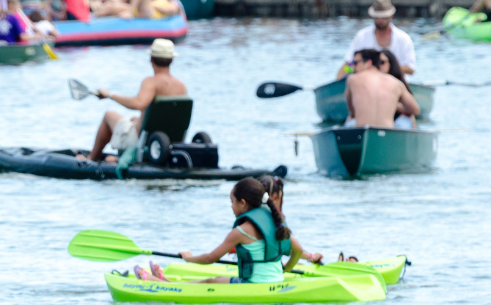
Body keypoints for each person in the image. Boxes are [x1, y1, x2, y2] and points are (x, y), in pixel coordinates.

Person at [137, 178, 302, 284]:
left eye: (232, 201)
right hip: (276, 281)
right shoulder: (276, 221)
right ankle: (166, 281)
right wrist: (285, 269)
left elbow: (210, 258)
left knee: (210, 282)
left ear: (243, 203)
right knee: (215, 280)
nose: (231, 206)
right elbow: (298, 250)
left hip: (253, 285)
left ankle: (163, 285)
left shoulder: (241, 231)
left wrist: (188, 258)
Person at [79, 38, 186, 163]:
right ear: (171, 60)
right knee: (133, 119)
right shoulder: (181, 86)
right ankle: (119, 157)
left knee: (109, 115)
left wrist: (109, 95)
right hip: (167, 140)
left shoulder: (151, 82)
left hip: (143, 139)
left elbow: (138, 103)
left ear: (151, 59)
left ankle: (92, 159)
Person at [336, 0, 416, 79]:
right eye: (377, 17)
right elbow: (348, 65)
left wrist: (388, 68)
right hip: (367, 84)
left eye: (384, 17)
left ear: (391, 16)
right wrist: (346, 73)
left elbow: (411, 69)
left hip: (397, 82)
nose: (380, 20)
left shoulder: (403, 38)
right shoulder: (362, 36)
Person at [344, 48, 419, 129]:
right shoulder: (396, 83)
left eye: (355, 63)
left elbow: (352, 112)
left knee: (349, 121)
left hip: (362, 132)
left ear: (368, 63)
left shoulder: (353, 79)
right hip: (388, 133)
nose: (353, 67)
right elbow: (415, 110)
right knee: (409, 119)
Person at [258, 175, 323, 265]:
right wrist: (312, 257)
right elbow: (294, 248)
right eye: (281, 197)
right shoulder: (274, 223)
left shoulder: (248, 218)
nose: (283, 202)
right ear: (274, 197)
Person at [378, 49, 416, 129]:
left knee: (403, 123)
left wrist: (391, 104)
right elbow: (347, 67)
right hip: (378, 120)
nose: (379, 66)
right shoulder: (370, 81)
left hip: (398, 118)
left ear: (391, 64)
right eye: (376, 63)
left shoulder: (398, 83)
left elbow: (413, 110)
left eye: (382, 62)